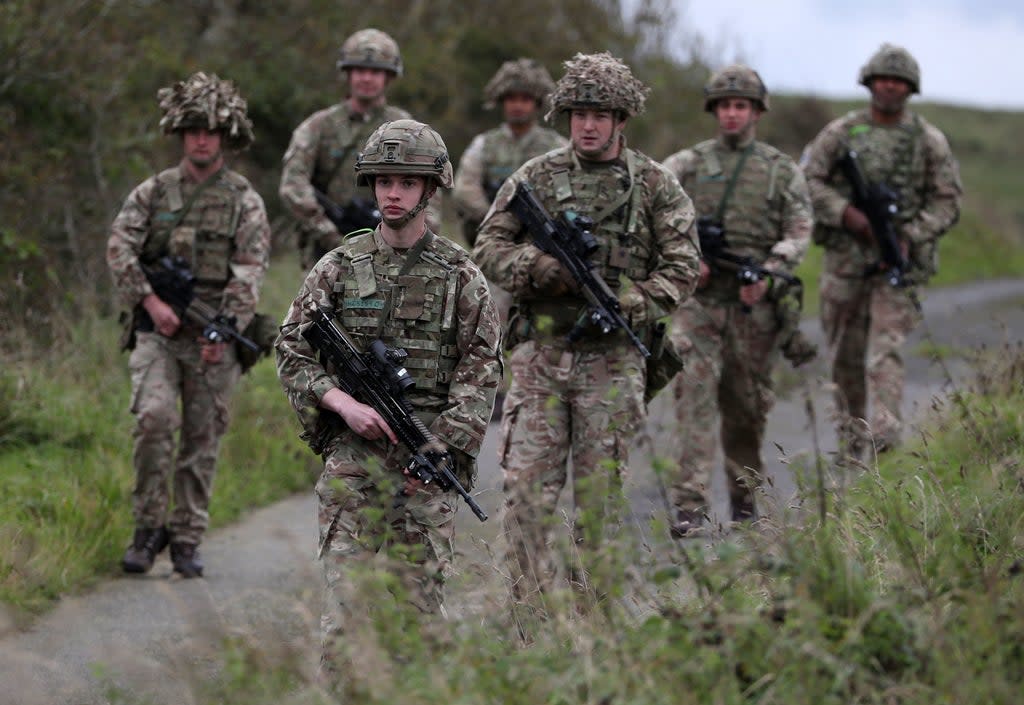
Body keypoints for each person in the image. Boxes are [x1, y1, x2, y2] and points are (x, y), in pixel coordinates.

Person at [276, 120, 501, 687]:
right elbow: (290, 348)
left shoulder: (459, 275)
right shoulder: (337, 267)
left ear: (430, 189)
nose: (392, 193)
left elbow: (481, 369)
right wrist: (340, 404)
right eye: (382, 181)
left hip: (426, 463)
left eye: (406, 181)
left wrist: (441, 449)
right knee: (346, 615)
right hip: (353, 459)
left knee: (418, 617)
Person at [473, 52, 700, 600]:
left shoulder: (653, 185)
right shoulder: (537, 177)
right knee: (526, 496)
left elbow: (683, 265)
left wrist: (633, 301)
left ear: (623, 120)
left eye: (600, 114)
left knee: (600, 501)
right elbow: (488, 246)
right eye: (578, 114)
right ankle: (524, 620)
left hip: (613, 361)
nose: (588, 125)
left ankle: (595, 622)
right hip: (540, 360)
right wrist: (542, 269)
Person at [107, 72, 271, 578]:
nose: (202, 138)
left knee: (202, 440)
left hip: (211, 333)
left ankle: (185, 538)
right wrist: (150, 301)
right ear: (181, 132)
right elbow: (120, 248)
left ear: (226, 136)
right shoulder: (153, 192)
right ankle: (146, 529)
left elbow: (250, 269)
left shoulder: (244, 199)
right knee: (154, 421)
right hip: (158, 332)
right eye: (194, 128)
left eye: (212, 130)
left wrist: (223, 329)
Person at [661, 64, 814, 536]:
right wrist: (688, 259)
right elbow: (655, 214)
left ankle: (744, 499)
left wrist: (772, 271)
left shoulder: (780, 171)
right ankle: (690, 505)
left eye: (741, 106)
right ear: (714, 110)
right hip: (700, 305)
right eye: (724, 106)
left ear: (756, 112)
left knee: (747, 409)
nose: (731, 114)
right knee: (695, 403)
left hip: (754, 309)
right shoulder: (684, 165)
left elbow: (799, 228)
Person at [801, 44, 961, 459]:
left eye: (899, 81)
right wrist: (847, 214)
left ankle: (886, 444)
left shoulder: (928, 140)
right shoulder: (840, 134)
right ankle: (851, 445)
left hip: (897, 265)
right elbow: (807, 181)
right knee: (844, 359)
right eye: (883, 79)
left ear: (910, 88)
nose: (889, 86)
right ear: (870, 82)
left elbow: (947, 201)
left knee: (884, 353)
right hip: (846, 263)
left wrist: (910, 234)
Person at [280, 28, 430, 269]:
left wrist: (417, 241)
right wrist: (329, 234)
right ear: (348, 74)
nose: (367, 79)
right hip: (329, 252)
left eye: (375, 72)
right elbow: (292, 184)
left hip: (394, 251)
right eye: (360, 70)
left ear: (389, 77)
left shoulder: (408, 128)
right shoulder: (319, 126)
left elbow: (430, 188)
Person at [453, 57, 568, 247]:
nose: (517, 106)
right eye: (511, 99)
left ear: (537, 103)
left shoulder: (556, 146)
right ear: (502, 101)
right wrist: (496, 219)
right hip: (491, 240)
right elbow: (465, 189)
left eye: (525, 99)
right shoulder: (483, 144)